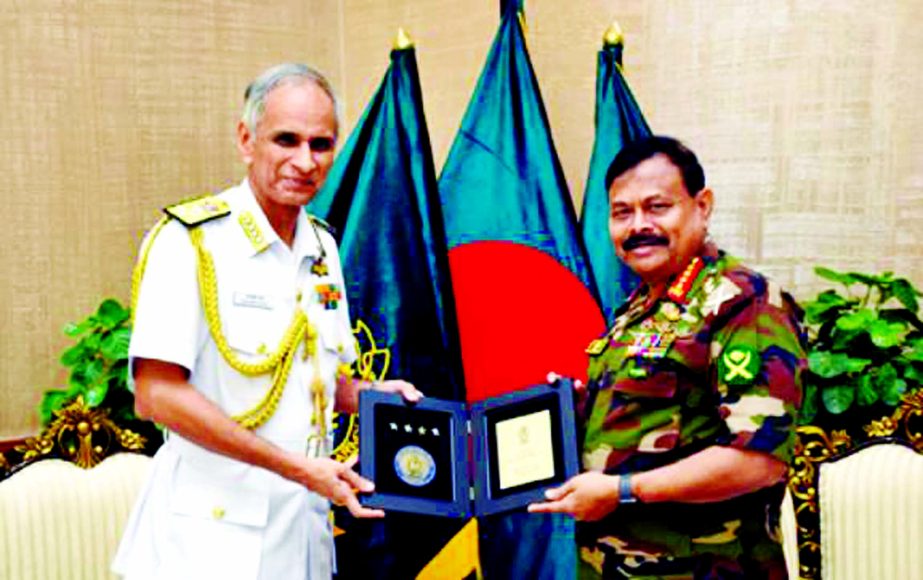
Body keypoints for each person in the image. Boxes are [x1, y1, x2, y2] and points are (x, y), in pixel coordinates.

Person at [112, 63, 422, 580]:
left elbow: (313, 378)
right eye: (286, 140)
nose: (304, 161)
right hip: (206, 547)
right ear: (246, 139)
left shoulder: (321, 246)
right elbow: (156, 395)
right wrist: (299, 469)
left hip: (303, 535)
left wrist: (369, 395)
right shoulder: (191, 241)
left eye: (320, 145)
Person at [530, 135, 805, 578]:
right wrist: (577, 411)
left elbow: (758, 461)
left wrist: (621, 490)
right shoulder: (639, 308)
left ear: (702, 206)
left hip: (705, 568)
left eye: (657, 207)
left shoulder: (741, 303)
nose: (639, 225)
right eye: (622, 212)